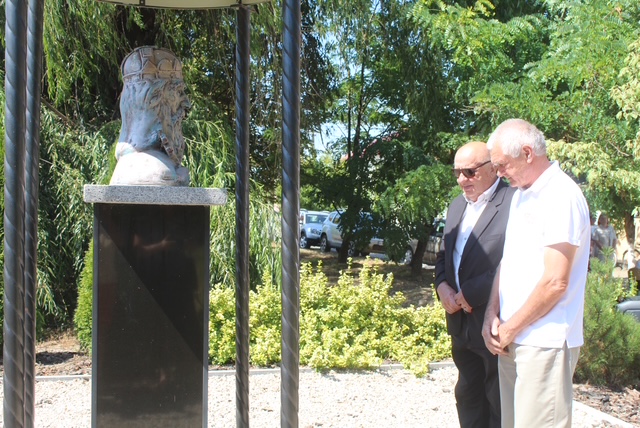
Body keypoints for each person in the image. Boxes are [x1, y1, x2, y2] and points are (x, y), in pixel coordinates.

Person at [482, 119, 590, 428]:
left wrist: (510, 328)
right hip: (512, 338)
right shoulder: (521, 194)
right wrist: (491, 314)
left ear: (528, 153)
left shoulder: (561, 196)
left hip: (544, 342)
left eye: (502, 165)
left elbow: (556, 281)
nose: (498, 173)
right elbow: (508, 261)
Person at [435, 141, 515, 428]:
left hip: (494, 323)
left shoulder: (514, 202)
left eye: (469, 171)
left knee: (498, 401)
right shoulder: (457, 205)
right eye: (456, 172)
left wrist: (471, 293)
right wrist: (441, 285)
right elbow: (444, 253)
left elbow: (515, 262)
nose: (461, 179)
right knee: (467, 396)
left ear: (493, 168)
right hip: (460, 324)